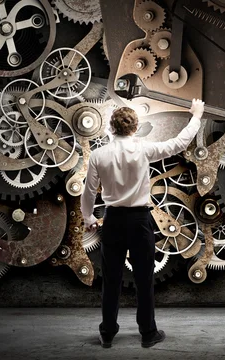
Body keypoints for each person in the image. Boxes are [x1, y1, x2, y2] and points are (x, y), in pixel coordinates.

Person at [81, 99, 204, 348]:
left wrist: (88, 218)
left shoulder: (98, 155)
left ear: (111, 129)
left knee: (111, 280)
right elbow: (179, 143)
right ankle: (148, 333)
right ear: (135, 129)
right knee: (144, 279)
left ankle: (107, 333)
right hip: (139, 221)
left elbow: (88, 192)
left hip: (113, 220)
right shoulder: (144, 150)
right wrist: (197, 116)